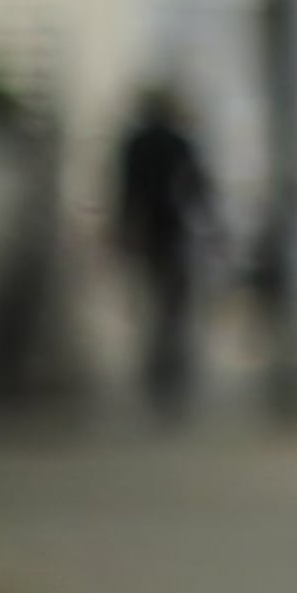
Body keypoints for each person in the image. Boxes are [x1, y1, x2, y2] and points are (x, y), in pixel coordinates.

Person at [112, 84, 214, 415]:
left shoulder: (134, 145)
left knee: (154, 303)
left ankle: (159, 372)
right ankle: (170, 372)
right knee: (173, 307)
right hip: (174, 232)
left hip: (146, 233)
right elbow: (199, 187)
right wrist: (213, 227)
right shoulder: (179, 142)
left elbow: (125, 193)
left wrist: (122, 232)